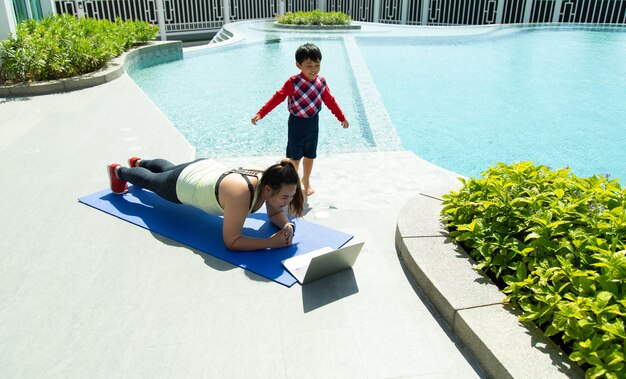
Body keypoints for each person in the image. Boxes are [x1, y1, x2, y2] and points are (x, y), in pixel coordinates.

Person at [107, 157, 304, 251]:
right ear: (269, 190)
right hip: (186, 185)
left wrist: (285, 224)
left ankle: (140, 162)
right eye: (285, 198)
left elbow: (274, 213)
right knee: (152, 182)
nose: (286, 202)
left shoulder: (271, 178)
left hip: (204, 167)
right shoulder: (241, 194)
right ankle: (118, 171)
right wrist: (270, 243)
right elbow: (232, 241)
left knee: (169, 169)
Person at [251, 42, 349, 196]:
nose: (314, 69)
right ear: (299, 65)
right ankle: (294, 183)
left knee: (310, 154)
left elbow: (330, 100)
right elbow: (278, 97)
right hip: (297, 123)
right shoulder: (293, 82)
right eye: (309, 65)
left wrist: (341, 117)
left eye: (317, 65)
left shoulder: (321, 82)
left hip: (313, 122)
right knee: (294, 157)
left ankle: (306, 180)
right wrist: (261, 113)